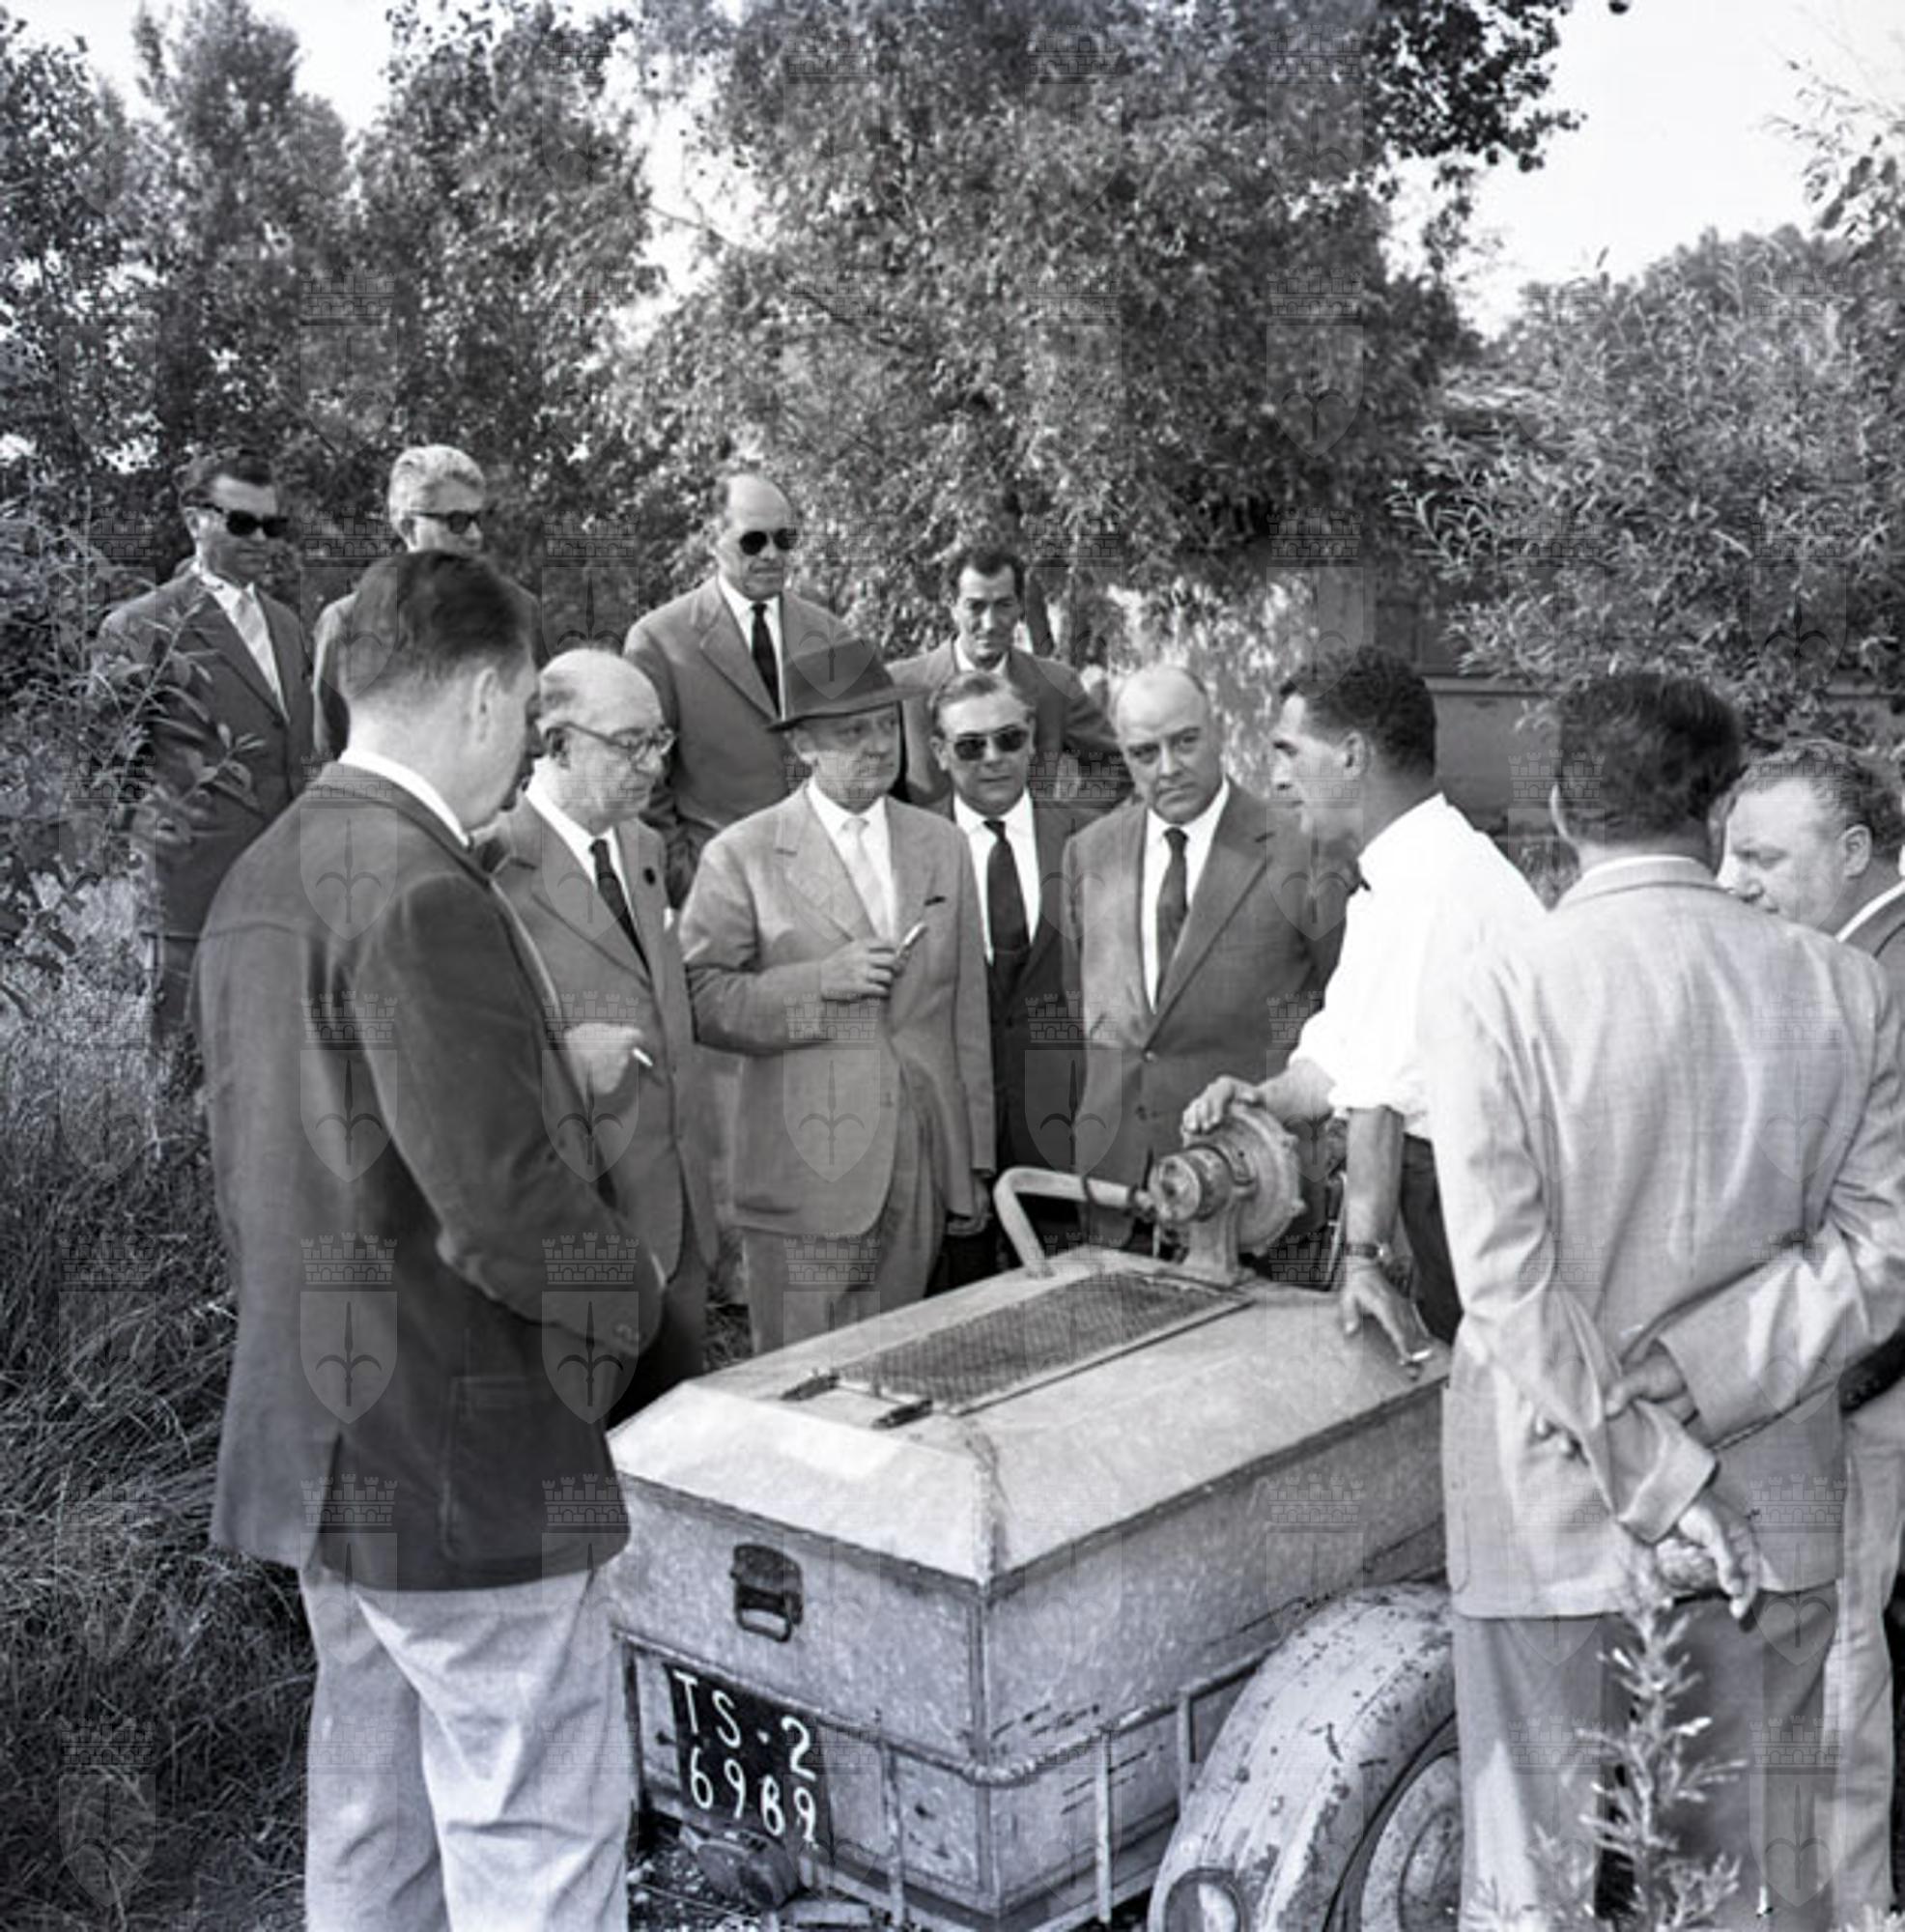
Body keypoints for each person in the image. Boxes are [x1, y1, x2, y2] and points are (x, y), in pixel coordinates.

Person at [194, 552, 663, 1932]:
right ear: (483, 695)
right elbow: (501, 1206)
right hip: (463, 1459)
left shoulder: (262, 874)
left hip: (326, 1443)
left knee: (373, 1823)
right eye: (526, 715)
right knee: (537, 1833)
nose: (522, 750)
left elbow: (270, 1167)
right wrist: (636, 1300)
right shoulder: (422, 889)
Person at [1424, 673, 1905, 1930]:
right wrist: (1701, 1371)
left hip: (1548, 1507)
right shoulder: (1845, 990)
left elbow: (1505, 1289)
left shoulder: (1494, 992)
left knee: (1535, 1896)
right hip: (1774, 1504)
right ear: (1720, 806)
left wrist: (1653, 1464)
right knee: (1751, 1895)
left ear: (1559, 807)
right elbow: (1881, 1249)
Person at [1183, 646, 1542, 1346]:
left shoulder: (1434, 885)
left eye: (1290, 752)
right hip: (1441, 1208)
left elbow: (1379, 1102)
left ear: (1351, 756)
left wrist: (1363, 1263)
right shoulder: (1402, 873)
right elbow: (1340, 1066)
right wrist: (1259, 1101)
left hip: (1474, 1220)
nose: (1276, 778)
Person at [679, 643, 993, 1352]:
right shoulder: (743, 854)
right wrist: (821, 981)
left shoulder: (942, 845)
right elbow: (698, 996)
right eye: (852, 732)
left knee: (901, 1375)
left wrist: (969, 1163)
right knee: (804, 1389)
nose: (878, 745)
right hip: (804, 1183)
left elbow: (965, 1015)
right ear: (803, 746)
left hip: (918, 1170)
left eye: (885, 725)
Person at [1720, 738, 1905, 1918]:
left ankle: (1843, 1903)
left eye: (1760, 857)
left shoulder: (1878, 984)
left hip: (1851, 1383)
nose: (1733, 881)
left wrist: (1814, 1382)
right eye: (1728, 853)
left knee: (1836, 1652)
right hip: (1843, 1371)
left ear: (1851, 851)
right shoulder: (1848, 962)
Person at [479, 650, 719, 1418]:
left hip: (678, 1222)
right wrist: (562, 1060)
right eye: (629, 744)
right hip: (581, 1232)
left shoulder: (643, 848)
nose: (653, 765)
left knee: (674, 1445)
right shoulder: (488, 863)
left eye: (660, 740)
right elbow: (461, 1062)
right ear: (556, 744)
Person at [1064, 664, 1337, 1242]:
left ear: (1218, 731)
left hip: (1253, 1190)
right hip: (1118, 1190)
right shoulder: (1088, 853)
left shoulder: (1302, 850)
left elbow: (1347, 1018)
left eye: (1185, 742)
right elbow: (1081, 1011)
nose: (1168, 768)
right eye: (1144, 753)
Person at [97, 445, 317, 1045]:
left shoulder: (288, 626)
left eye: (273, 525)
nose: (261, 539)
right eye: (242, 522)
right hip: (189, 898)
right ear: (195, 520)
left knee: (272, 1067)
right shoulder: (139, 626)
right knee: (183, 1070)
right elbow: (104, 764)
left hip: (284, 896)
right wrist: (153, 840)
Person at [927, 668, 1094, 1280]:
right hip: (953, 1128)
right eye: (971, 745)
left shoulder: (1089, 839)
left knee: (1076, 1294)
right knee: (960, 1304)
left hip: (1066, 1122)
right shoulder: (909, 848)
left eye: (1009, 738)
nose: (993, 758)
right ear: (939, 753)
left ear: (1032, 739)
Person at [624, 470, 846, 905]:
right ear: (713, 538)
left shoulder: (829, 634)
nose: (771, 554)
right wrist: (685, 881)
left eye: (785, 539)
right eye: (753, 541)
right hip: (717, 892)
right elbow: (643, 783)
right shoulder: (659, 642)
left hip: (824, 890)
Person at [311, 443, 548, 757]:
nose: (475, 535)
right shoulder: (347, 623)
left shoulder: (520, 611)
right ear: (408, 527)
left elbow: (542, 726)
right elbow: (333, 749)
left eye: (479, 519)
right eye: (457, 521)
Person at [890, 544, 1128, 815]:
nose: (990, 623)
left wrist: (1062, 821)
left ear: (1020, 606)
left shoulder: (1057, 685)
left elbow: (1116, 768)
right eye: (975, 607)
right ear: (951, 605)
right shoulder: (901, 686)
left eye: (1003, 605)